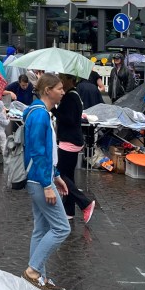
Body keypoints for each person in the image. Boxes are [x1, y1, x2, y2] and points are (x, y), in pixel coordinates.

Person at [22, 73, 71, 290]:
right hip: (39, 179)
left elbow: (45, 152)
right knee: (62, 228)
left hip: (41, 177)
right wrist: (47, 184)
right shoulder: (40, 115)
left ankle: (38, 278)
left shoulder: (40, 113)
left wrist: (56, 175)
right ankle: (33, 272)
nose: (63, 91)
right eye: (59, 88)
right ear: (47, 90)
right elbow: (38, 152)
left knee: (40, 229)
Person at [53, 74, 96, 224]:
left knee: (61, 175)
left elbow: (69, 119)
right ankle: (69, 210)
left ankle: (85, 203)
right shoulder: (72, 95)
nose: (61, 82)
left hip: (70, 141)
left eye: (63, 79)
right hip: (71, 139)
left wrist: (54, 110)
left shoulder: (71, 97)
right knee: (68, 178)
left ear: (71, 80)